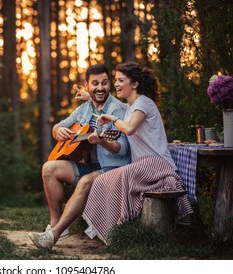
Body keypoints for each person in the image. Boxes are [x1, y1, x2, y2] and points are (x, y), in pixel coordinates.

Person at [82, 61, 193, 245]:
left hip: (158, 165)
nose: (116, 84)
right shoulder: (129, 108)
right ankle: (106, 228)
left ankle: (115, 228)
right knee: (102, 179)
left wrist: (112, 118)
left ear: (134, 84)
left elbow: (129, 128)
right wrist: (89, 96)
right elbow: (113, 103)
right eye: (115, 80)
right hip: (143, 167)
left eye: (120, 80)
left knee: (121, 175)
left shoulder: (144, 103)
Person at [28, 63, 131, 249]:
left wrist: (102, 141)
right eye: (95, 83)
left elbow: (122, 148)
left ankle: (53, 236)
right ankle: (56, 224)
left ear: (109, 84)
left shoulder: (118, 110)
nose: (100, 88)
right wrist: (58, 130)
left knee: (85, 181)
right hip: (91, 167)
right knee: (49, 168)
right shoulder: (83, 109)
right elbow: (59, 125)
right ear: (87, 86)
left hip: (113, 170)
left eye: (105, 83)